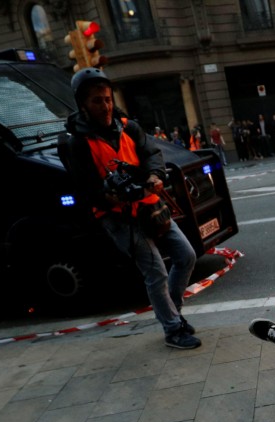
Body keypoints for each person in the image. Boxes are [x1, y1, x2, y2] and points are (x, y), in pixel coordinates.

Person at [61, 68, 200, 349]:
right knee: (156, 272)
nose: (106, 106)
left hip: (150, 205)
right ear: (83, 104)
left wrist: (154, 176)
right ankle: (173, 330)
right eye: (97, 101)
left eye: (108, 99)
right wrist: (110, 197)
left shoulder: (128, 126)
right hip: (118, 216)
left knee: (186, 256)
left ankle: (172, 312)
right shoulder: (77, 142)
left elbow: (151, 154)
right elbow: (87, 188)